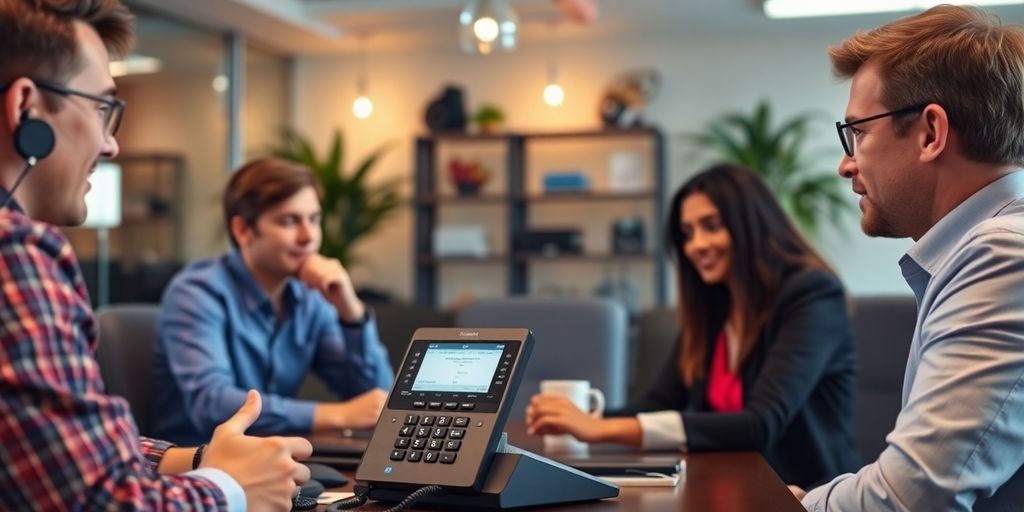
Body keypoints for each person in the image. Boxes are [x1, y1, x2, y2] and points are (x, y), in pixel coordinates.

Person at [0, 1, 311, 510]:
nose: (110, 145)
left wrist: (196, 459)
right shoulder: (14, 252)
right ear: (27, 108)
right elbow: (102, 501)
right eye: (102, 108)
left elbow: (63, 444)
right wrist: (232, 489)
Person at [796, 5, 1024, 511]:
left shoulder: (1004, 255)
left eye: (858, 132)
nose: (845, 163)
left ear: (930, 133)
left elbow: (914, 496)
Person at [526, 163, 860, 488]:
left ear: (752, 224)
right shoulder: (715, 307)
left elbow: (760, 425)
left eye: (711, 226)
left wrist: (599, 429)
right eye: (687, 233)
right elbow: (657, 403)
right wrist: (579, 420)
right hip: (724, 487)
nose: (696, 245)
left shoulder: (812, 295)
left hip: (803, 494)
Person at [151, 157, 394, 445]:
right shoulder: (196, 293)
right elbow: (212, 403)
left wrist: (350, 311)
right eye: (289, 221)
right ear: (243, 230)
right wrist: (338, 415)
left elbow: (376, 402)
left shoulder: (309, 299)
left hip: (272, 460)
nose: (309, 237)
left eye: (314, 220)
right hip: (195, 467)